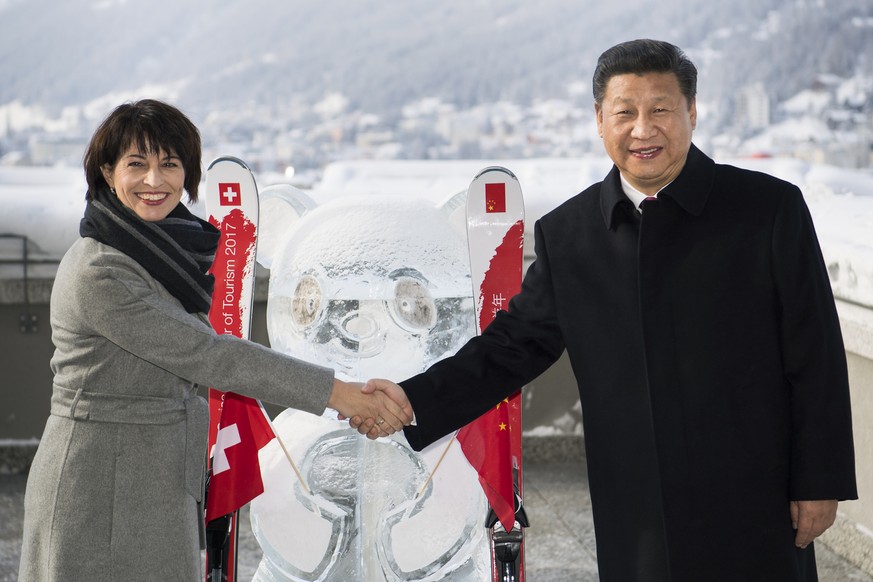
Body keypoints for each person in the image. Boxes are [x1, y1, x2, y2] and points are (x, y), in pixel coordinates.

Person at [358, 40, 857, 581]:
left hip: (754, 492)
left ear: (692, 112)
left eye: (661, 109)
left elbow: (816, 355)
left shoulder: (768, 210)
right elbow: (512, 346)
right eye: (625, 112)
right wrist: (412, 399)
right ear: (600, 120)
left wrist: (818, 480)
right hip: (637, 502)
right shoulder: (570, 235)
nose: (643, 129)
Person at [18, 99, 412, 582]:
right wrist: (345, 396)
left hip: (152, 467)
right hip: (101, 481)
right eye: (136, 164)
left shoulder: (160, 250)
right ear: (107, 171)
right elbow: (207, 354)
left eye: (170, 164)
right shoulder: (102, 270)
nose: (154, 180)